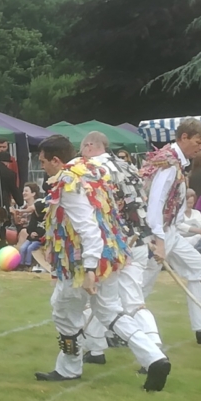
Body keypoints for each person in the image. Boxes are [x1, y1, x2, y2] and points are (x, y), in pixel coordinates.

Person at [35, 135, 170, 391]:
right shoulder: (91, 170)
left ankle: (69, 368)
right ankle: (154, 358)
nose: (42, 167)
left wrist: (88, 270)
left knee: (62, 310)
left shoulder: (69, 181)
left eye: (43, 162)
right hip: (108, 256)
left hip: (83, 260)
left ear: (56, 159)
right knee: (110, 311)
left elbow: (88, 228)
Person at [141, 118, 201, 344]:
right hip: (158, 234)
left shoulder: (173, 161)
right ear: (184, 137)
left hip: (169, 231)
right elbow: (155, 202)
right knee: (140, 286)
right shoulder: (168, 164)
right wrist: (159, 240)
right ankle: (108, 333)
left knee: (198, 267)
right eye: (198, 142)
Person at [78, 131, 163, 367]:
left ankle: (154, 350)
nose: (81, 152)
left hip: (112, 244)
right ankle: (95, 348)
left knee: (120, 300)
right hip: (136, 240)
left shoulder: (90, 169)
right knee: (105, 301)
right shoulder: (128, 166)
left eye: (82, 147)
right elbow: (141, 203)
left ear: (90, 145)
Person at [17, 183, 46, 271]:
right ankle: (21, 263)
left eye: (26, 191)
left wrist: (37, 233)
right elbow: (31, 226)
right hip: (30, 237)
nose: (23, 193)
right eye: (23, 191)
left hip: (38, 238)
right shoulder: (34, 216)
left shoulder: (40, 202)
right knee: (23, 247)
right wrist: (31, 233)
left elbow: (44, 229)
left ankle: (28, 264)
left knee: (30, 247)